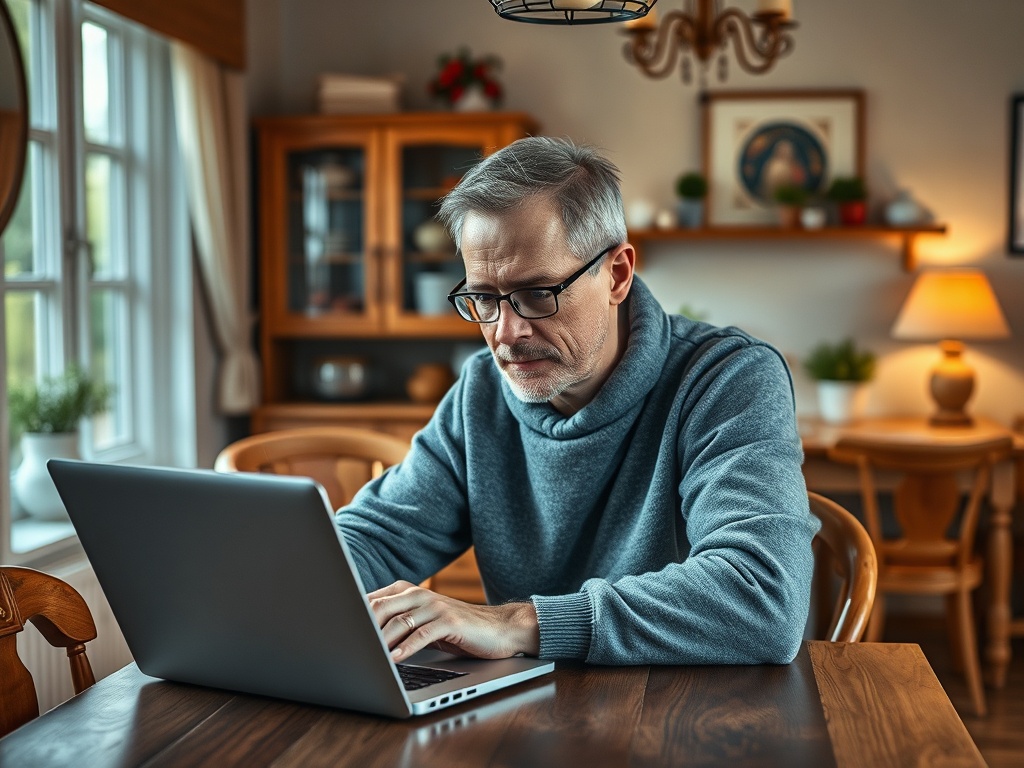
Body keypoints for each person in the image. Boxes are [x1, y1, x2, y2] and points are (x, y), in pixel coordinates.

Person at [336, 136, 817, 666]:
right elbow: (376, 536)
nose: (506, 332)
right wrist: (278, 577)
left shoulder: (728, 379)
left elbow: (762, 598)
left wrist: (519, 622)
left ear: (617, 274)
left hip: (690, 716)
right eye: (482, 299)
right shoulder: (481, 392)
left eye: (539, 294)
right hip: (529, 716)